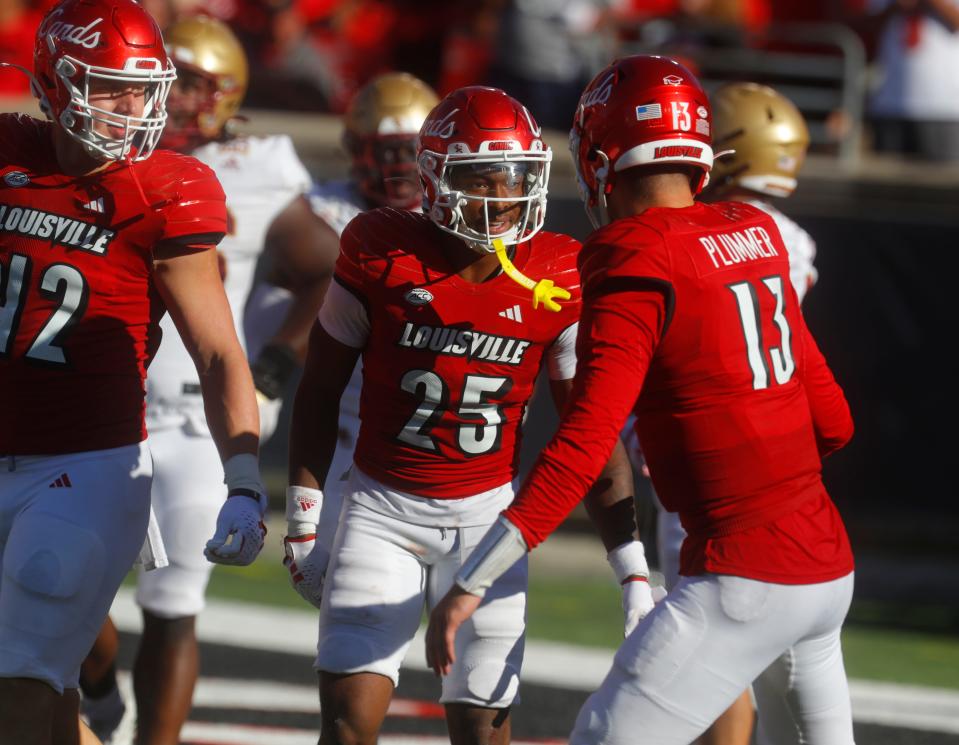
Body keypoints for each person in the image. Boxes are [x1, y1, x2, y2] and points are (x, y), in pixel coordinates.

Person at [427, 55, 856, 745]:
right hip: (827, 566)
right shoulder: (757, 229)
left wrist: (471, 581)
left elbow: (581, 446)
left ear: (600, 158)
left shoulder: (630, 252)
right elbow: (833, 421)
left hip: (742, 574)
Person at [286, 85, 646, 745]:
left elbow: (589, 435)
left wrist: (633, 569)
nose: (502, 195)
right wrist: (305, 519)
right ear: (433, 178)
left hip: (489, 519)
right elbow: (317, 388)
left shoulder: (559, 273)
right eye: (481, 177)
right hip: (381, 510)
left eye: (516, 177)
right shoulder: (379, 247)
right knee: (345, 727)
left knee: (482, 733)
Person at [0, 1, 268, 744]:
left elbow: (217, 351)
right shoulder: (8, 147)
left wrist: (243, 477)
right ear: (52, 84)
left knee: (19, 682)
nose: (133, 107)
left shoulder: (168, 188)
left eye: (142, 87)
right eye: (109, 85)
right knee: (44, 695)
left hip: (85, 463)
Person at [74, 15, 321, 745]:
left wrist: (273, 368)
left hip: (187, 421)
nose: (175, 99)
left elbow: (325, 270)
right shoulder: (98, 154)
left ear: (228, 94)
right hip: (92, 414)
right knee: (65, 593)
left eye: (192, 83)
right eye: (165, 80)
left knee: (173, 602)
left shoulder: (260, 167)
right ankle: (96, 689)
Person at [623, 79, 820, 745]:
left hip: (714, 455)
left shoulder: (735, 234)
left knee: (713, 652)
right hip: (778, 455)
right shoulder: (782, 234)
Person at [260, 70, 442, 599]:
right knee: (351, 607)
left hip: (436, 439)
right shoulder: (324, 212)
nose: (399, 166)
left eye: (410, 150)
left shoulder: (456, 216)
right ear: (355, 149)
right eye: (385, 152)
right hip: (346, 440)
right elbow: (287, 284)